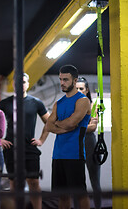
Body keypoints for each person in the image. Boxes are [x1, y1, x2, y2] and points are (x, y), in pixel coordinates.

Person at [0, 73, 50, 209]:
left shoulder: (36, 103)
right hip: (11, 148)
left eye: (24, 82)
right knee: (14, 183)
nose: (21, 85)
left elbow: (49, 122)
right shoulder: (4, 103)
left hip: (29, 147)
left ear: (28, 84)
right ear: (14, 84)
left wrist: (41, 140)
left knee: (33, 182)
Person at [45, 65, 91, 209]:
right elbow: (48, 126)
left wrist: (57, 125)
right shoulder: (58, 104)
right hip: (58, 155)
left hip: (74, 155)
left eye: (65, 79)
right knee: (63, 195)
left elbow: (72, 122)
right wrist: (63, 127)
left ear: (74, 80)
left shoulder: (82, 101)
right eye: (60, 79)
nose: (62, 83)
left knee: (80, 194)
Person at [76, 77, 101, 209]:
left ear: (86, 90)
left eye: (81, 88)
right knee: (76, 182)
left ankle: (98, 207)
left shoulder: (93, 105)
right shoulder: (70, 106)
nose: (79, 91)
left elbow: (93, 127)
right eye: (77, 88)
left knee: (95, 180)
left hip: (89, 143)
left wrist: (74, 126)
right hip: (74, 144)